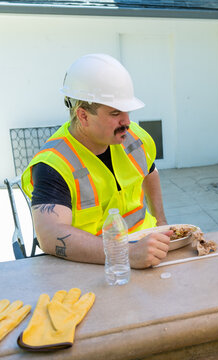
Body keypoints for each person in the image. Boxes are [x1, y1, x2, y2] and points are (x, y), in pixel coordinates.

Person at [21, 54, 171, 269]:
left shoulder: (135, 139)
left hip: (147, 253)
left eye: (127, 111)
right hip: (91, 265)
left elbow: (150, 173)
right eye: (115, 113)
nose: (126, 121)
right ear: (83, 116)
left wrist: (161, 222)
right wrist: (126, 253)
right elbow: (50, 235)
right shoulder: (53, 164)